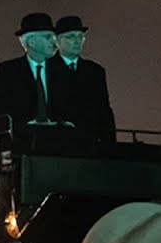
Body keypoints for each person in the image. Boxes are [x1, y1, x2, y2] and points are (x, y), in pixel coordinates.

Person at [0, 12, 62, 138]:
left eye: (54, 37)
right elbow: (1, 110)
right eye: (48, 37)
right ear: (32, 42)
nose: (54, 42)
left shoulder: (61, 71)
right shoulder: (9, 71)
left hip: (60, 140)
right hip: (23, 142)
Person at [49, 15, 115, 151]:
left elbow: (104, 110)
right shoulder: (44, 69)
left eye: (80, 37)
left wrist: (110, 144)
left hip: (90, 144)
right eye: (71, 37)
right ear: (57, 41)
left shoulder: (95, 71)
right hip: (56, 145)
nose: (77, 41)